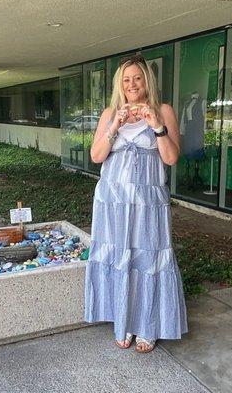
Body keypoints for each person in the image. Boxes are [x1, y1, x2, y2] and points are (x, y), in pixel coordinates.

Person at [84, 54, 188, 353]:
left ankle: (148, 324)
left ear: (147, 80)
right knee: (119, 258)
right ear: (121, 84)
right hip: (112, 202)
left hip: (147, 203)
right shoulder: (109, 112)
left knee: (149, 260)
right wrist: (114, 125)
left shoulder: (163, 110)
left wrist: (157, 126)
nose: (132, 84)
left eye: (137, 78)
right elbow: (96, 156)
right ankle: (123, 320)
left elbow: (170, 158)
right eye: (126, 79)